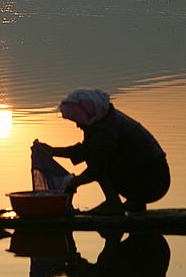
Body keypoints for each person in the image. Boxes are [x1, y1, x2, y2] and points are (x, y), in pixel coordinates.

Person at [31, 88, 170, 214]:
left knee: (98, 162)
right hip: (150, 176)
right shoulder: (102, 120)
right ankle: (134, 203)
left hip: (153, 181)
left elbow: (97, 167)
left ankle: (113, 204)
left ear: (86, 114)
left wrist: (74, 182)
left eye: (78, 120)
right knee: (97, 157)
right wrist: (53, 151)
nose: (78, 125)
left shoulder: (104, 129)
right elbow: (85, 150)